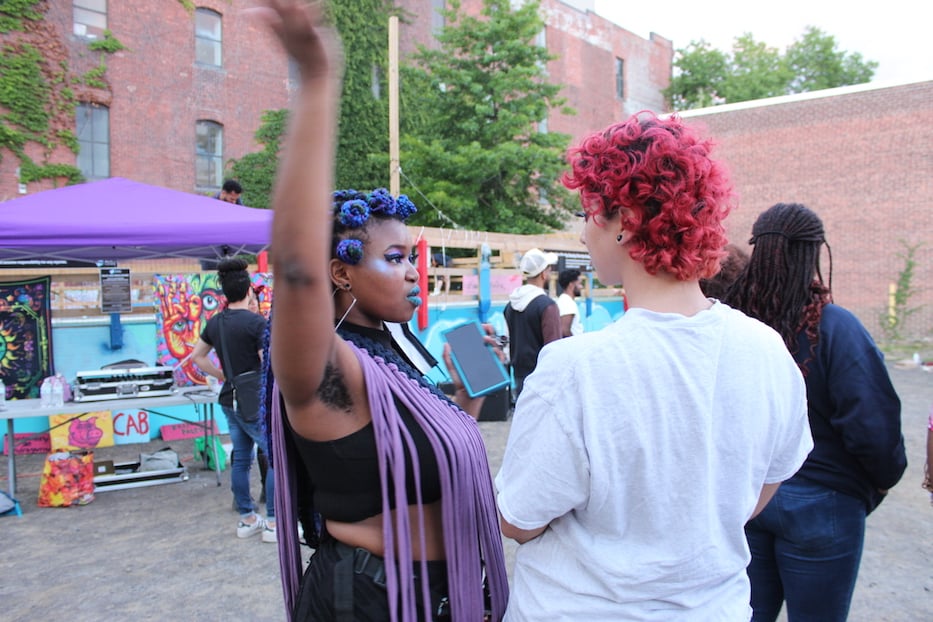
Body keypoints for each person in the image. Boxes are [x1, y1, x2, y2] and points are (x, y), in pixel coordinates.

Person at [495, 112, 813, 620]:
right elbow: (763, 486)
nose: (582, 234)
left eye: (588, 212)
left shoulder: (576, 369)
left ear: (623, 219)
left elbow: (517, 519)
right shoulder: (767, 351)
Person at [254, 2, 508, 620]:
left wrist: (467, 391)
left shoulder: (398, 352)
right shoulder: (325, 369)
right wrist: (317, 79)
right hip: (367, 597)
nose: (412, 273)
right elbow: (294, 267)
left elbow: (438, 449)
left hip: (439, 594)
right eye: (394, 258)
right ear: (339, 271)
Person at [724, 202, 908, 622]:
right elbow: (873, 425)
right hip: (824, 503)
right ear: (814, 253)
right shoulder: (835, 328)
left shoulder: (733, 326)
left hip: (749, 497)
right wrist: (877, 484)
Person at [191, 257, 275, 543]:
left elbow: (197, 356)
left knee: (241, 459)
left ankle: (247, 518)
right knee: (275, 457)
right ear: (248, 290)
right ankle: (274, 523)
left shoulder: (215, 323)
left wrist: (223, 373)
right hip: (253, 401)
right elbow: (268, 365)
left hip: (229, 398)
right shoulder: (256, 323)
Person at [504, 248, 561, 397]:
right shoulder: (547, 306)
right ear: (543, 274)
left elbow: (507, 342)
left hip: (518, 374)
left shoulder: (510, 305)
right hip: (543, 378)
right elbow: (553, 348)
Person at [555, 267, 583, 337]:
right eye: (579, 284)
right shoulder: (567, 302)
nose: (581, 287)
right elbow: (564, 330)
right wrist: (574, 345)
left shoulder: (566, 301)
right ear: (571, 285)